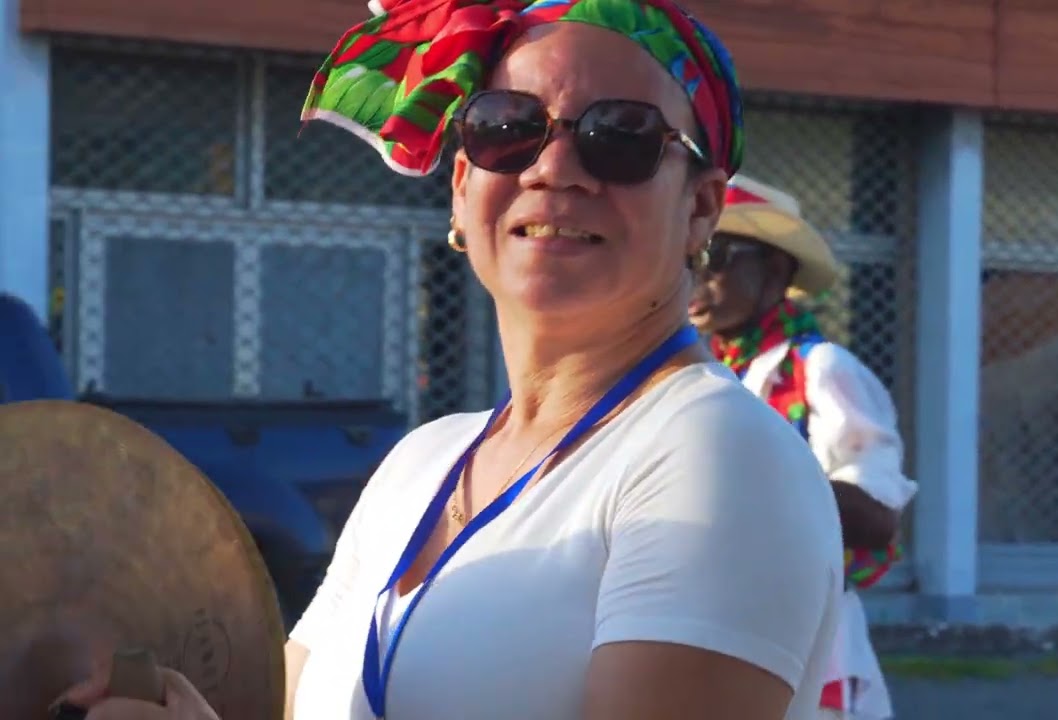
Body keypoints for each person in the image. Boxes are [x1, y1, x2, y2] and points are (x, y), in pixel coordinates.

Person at [59, 1, 846, 719]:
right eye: (506, 126)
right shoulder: (422, 462)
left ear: (701, 208)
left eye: (622, 137)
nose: (551, 167)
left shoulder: (714, 452)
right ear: (463, 186)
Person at [688, 175, 919, 720]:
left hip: (805, 633)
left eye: (716, 256)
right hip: (718, 625)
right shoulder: (710, 374)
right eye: (689, 256)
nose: (697, 275)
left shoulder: (819, 369)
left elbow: (877, 517)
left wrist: (748, 478)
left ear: (774, 269)